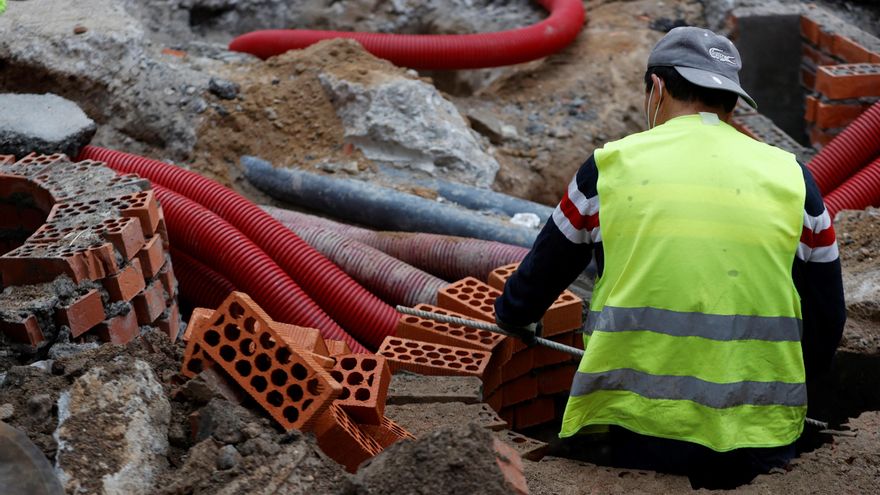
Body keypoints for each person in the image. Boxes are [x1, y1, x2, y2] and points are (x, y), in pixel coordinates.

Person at [494, 26, 846, 489]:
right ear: (733, 102)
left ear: (656, 89)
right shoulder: (794, 179)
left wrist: (515, 317)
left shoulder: (610, 166)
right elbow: (827, 318)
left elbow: (537, 280)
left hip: (634, 423)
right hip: (758, 435)